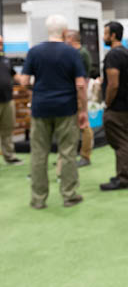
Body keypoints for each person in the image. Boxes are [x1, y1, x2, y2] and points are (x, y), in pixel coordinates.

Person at [21, 14, 87, 209]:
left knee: (39, 153)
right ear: (65, 32)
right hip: (66, 108)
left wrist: (38, 91)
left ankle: (38, 199)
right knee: (67, 152)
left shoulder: (34, 51)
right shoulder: (72, 53)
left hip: (41, 107)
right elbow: (81, 85)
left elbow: (24, 81)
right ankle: (69, 195)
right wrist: (82, 110)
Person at [99, 21, 128, 191]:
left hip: (117, 107)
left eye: (106, 33)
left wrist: (107, 103)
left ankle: (123, 178)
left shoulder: (113, 55)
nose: (103, 37)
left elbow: (113, 84)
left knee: (121, 143)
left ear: (113, 35)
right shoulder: (127, 53)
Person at [56, 30, 93, 169]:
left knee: (84, 125)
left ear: (71, 39)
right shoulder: (78, 53)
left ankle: (85, 155)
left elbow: (81, 79)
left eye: (66, 38)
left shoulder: (81, 54)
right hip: (73, 93)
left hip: (78, 93)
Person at [0, 35, 22, 166]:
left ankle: (10, 156)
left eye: (2, 42)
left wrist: (29, 82)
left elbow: (15, 75)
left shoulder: (6, 60)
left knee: (8, 129)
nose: (1, 44)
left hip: (8, 100)